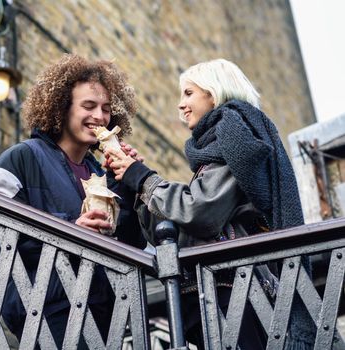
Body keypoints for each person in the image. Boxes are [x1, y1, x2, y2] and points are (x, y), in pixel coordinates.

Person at [105, 58, 314, 349]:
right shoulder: (218, 147)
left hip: (235, 289)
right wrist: (135, 184)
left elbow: (201, 212)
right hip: (219, 288)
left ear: (213, 93)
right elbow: (168, 231)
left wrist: (142, 178)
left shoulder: (233, 131)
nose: (181, 105)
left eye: (189, 93)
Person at [0, 54, 146, 347]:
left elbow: (131, 244)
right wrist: (71, 231)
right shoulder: (21, 158)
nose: (100, 117)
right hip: (46, 308)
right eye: (88, 106)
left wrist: (129, 183)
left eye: (106, 109)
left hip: (103, 312)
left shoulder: (100, 172)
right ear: (61, 108)